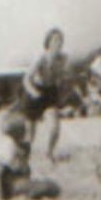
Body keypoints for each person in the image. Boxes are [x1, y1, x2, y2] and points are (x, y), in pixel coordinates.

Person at [22, 28, 69, 163]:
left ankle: (49, 153)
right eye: (55, 40)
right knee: (30, 133)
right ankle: (24, 157)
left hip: (50, 92)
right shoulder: (41, 57)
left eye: (61, 40)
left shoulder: (63, 58)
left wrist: (64, 93)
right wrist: (33, 92)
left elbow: (63, 79)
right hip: (35, 90)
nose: (59, 43)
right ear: (48, 42)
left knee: (55, 126)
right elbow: (26, 79)